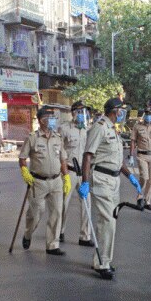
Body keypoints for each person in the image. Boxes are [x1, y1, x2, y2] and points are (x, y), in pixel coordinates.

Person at [78, 97, 142, 280]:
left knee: (109, 221)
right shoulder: (99, 127)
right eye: (122, 110)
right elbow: (88, 156)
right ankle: (102, 263)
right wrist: (85, 181)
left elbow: (117, 160)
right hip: (102, 179)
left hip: (114, 180)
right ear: (115, 110)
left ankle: (103, 259)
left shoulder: (114, 130)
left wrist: (130, 176)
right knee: (107, 222)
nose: (124, 113)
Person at [18, 106, 71, 255]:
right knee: (36, 213)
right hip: (38, 182)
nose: (53, 120)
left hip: (56, 181)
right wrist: (24, 172)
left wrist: (66, 176)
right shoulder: (32, 138)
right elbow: (22, 158)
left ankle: (52, 245)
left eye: (54, 118)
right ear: (42, 120)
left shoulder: (57, 138)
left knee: (56, 212)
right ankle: (28, 233)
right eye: (50, 118)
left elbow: (63, 159)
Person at [58, 100, 93, 247]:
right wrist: (64, 172)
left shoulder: (89, 129)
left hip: (83, 173)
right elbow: (60, 150)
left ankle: (85, 236)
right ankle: (59, 231)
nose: (81, 115)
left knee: (87, 204)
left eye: (83, 112)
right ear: (73, 113)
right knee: (64, 203)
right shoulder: (64, 129)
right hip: (70, 171)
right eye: (79, 111)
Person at [128, 108, 151, 205]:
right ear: (144, 115)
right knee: (144, 177)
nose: (148, 116)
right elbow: (133, 141)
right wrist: (131, 155)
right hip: (141, 155)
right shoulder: (137, 126)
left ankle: (147, 201)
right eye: (146, 114)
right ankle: (140, 196)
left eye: (150, 114)